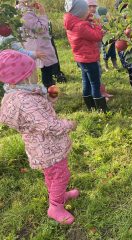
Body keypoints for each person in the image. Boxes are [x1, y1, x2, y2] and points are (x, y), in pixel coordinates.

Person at [0, 50, 79, 224]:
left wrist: (50, 98)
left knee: (52, 175)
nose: (37, 73)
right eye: (34, 71)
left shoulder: (21, 94)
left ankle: (58, 195)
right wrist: (69, 125)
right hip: (47, 147)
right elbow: (48, 125)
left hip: (40, 146)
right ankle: (55, 207)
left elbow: (37, 116)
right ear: (25, 77)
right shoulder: (27, 101)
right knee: (61, 175)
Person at [64, 0, 108, 112]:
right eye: (86, 10)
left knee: (86, 82)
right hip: (89, 59)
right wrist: (98, 25)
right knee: (95, 83)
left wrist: (88, 19)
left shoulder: (72, 23)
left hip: (81, 58)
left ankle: (91, 107)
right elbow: (97, 36)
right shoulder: (81, 26)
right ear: (80, 12)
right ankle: (102, 109)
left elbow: (83, 29)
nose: (88, 12)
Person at [18, 0, 59, 88]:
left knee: (44, 70)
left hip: (33, 45)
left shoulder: (22, 10)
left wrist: (31, 8)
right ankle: (48, 94)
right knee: (47, 72)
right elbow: (40, 29)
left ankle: (46, 90)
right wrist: (42, 14)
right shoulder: (25, 13)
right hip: (38, 46)